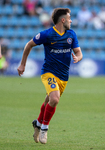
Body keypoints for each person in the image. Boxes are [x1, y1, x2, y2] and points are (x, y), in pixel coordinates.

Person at [17, 8, 83, 144]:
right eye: (69, 18)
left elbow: (79, 52)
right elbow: (29, 45)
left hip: (64, 76)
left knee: (49, 101)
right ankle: (44, 129)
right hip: (49, 73)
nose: (71, 20)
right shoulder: (47, 34)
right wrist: (22, 64)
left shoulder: (71, 34)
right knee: (55, 99)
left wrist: (78, 57)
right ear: (63, 20)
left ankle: (38, 123)